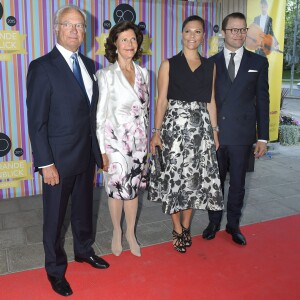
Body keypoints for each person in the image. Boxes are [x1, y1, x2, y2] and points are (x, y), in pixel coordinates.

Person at [26, 5, 109, 297]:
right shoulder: (41, 66)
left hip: (85, 156)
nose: (75, 31)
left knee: (84, 210)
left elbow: (90, 115)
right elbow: (37, 121)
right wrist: (45, 163)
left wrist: (97, 153)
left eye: (80, 26)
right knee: (55, 218)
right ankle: (55, 270)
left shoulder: (89, 65)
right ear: (56, 28)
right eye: (68, 25)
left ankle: (84, 251)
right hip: (57, 161)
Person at [148, 15, 224, 254]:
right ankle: (177, 229)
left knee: (193, 181)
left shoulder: (210, 66)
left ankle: (187, 226)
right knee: (173, 179)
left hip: (200, 130)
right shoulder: (168, 64)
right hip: (173, 130)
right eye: (188, 31)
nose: (192, 36)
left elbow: (211, 100)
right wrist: (157, 132)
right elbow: (161, 102)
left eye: (198, 32)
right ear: (181, 34)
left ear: (203, 36)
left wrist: (214, 131)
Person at [203, 12, 269, 246]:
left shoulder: (258, 62)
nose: (239, 34)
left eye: (242, 30)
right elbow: (205, 101)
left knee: (238, 184)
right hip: (217, 135)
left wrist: (263, 137)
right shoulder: (210, 63)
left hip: (242, 135)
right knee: (215, 183)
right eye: (234, 30)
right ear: (223, 33)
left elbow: (263, 100)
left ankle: (233, 225)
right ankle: (213, 222)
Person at [96, 21, 149, 257]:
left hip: (139, 145)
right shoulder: (106, 75)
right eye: (124, 39)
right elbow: (99, 117)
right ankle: (117, 231)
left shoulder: (144, 73)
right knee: (117, 189)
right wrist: (102, 151)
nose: (129, 44)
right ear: (115, 44)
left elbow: (145, 111)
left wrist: (148, 142)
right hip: (115, 144)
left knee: (133, 190)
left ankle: (131, 233)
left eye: (133, 39)